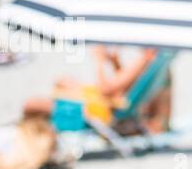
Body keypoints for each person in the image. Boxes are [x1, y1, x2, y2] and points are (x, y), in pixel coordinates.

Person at [22, 45, 173, 135]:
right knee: (63, 81)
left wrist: (99, 61)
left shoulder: (145, 60)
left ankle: (36, 133)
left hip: (101, 111)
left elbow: (106, 90)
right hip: (111, 105)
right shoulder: (157, 63)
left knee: (32, 104)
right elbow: (126, 87)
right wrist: (115, 61)